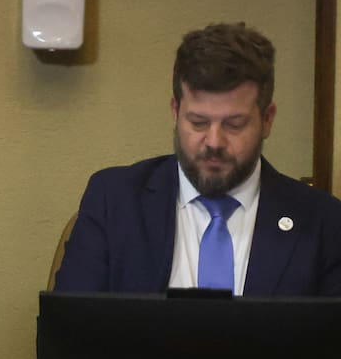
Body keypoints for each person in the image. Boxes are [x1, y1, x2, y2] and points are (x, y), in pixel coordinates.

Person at [55, 22, 341, 296]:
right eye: (198, 122)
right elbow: (68, 333)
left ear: (267, 120)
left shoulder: (323, 223)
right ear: (175, 112)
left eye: (234, 124)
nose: (214, 142)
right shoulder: (114, 201)